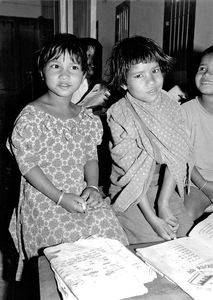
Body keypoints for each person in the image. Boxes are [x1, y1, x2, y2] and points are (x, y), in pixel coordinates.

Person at [6, 33, 128, 280]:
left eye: (73, 67)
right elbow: (27, 164)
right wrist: (60, 198)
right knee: (63, 261)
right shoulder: (31, 116)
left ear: (84, 74)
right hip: (45, 198)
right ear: (42, 72)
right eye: (55, 66)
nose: (64, 75)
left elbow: (90, 156)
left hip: (79, 193)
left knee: (110, 235)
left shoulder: (85, 117)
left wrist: (93, 186)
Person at [106, 35, 194, 244]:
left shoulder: (170, 104)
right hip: (132, 193)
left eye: (155, 71)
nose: (151, 81)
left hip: (163, 184)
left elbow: (177, 154)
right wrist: (152, 218)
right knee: (151, 244)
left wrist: (163, 203)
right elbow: (131, 175)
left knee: (185, 240)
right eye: (139, 76)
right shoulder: (119, 114)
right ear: (123, 83)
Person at [183, 46, 213, 222]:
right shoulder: (185, 112)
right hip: (196, 184)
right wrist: (205, 186)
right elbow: (183, 158)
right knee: (186, 216)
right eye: (203, 69)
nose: (207, 74)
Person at [72, 37, 110, 108]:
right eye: (88, 56)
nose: (92, 62)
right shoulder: (70, 85)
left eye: (96, 57)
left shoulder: (103, 89)